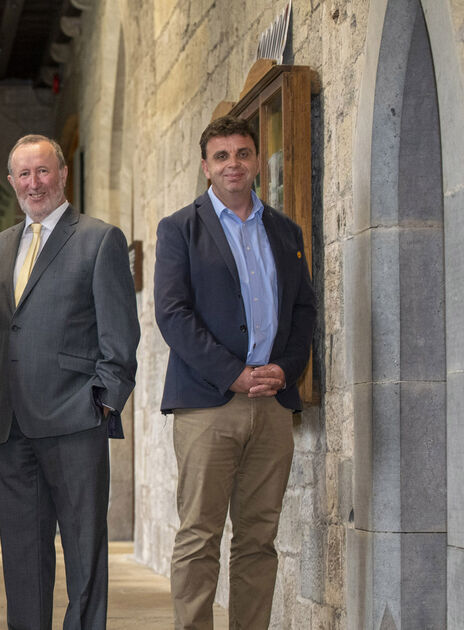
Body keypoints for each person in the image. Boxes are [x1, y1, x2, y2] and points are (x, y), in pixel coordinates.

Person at [155, 115, 316, 630]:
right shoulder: (180, 228)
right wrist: (234, 374)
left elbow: (304, 312)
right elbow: (173, 314)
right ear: (206, 167)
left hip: (272, 405)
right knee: (199, 536)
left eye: (243, 153)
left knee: (259, 539)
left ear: (257, 161)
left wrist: (284, 370)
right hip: (209, 404)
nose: (233, 164)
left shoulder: (285, 231)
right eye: (221, 156)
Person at [0, 134, 139, 630]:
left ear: (63, 174)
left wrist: (102, 403)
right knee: (22, 557)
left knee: (84, 552)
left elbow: (120, 336)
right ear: (12, 181)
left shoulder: (99, 239)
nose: (34, 183)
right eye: (24, 174)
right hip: (11, 426)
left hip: (75, 420)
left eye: (43, 171)